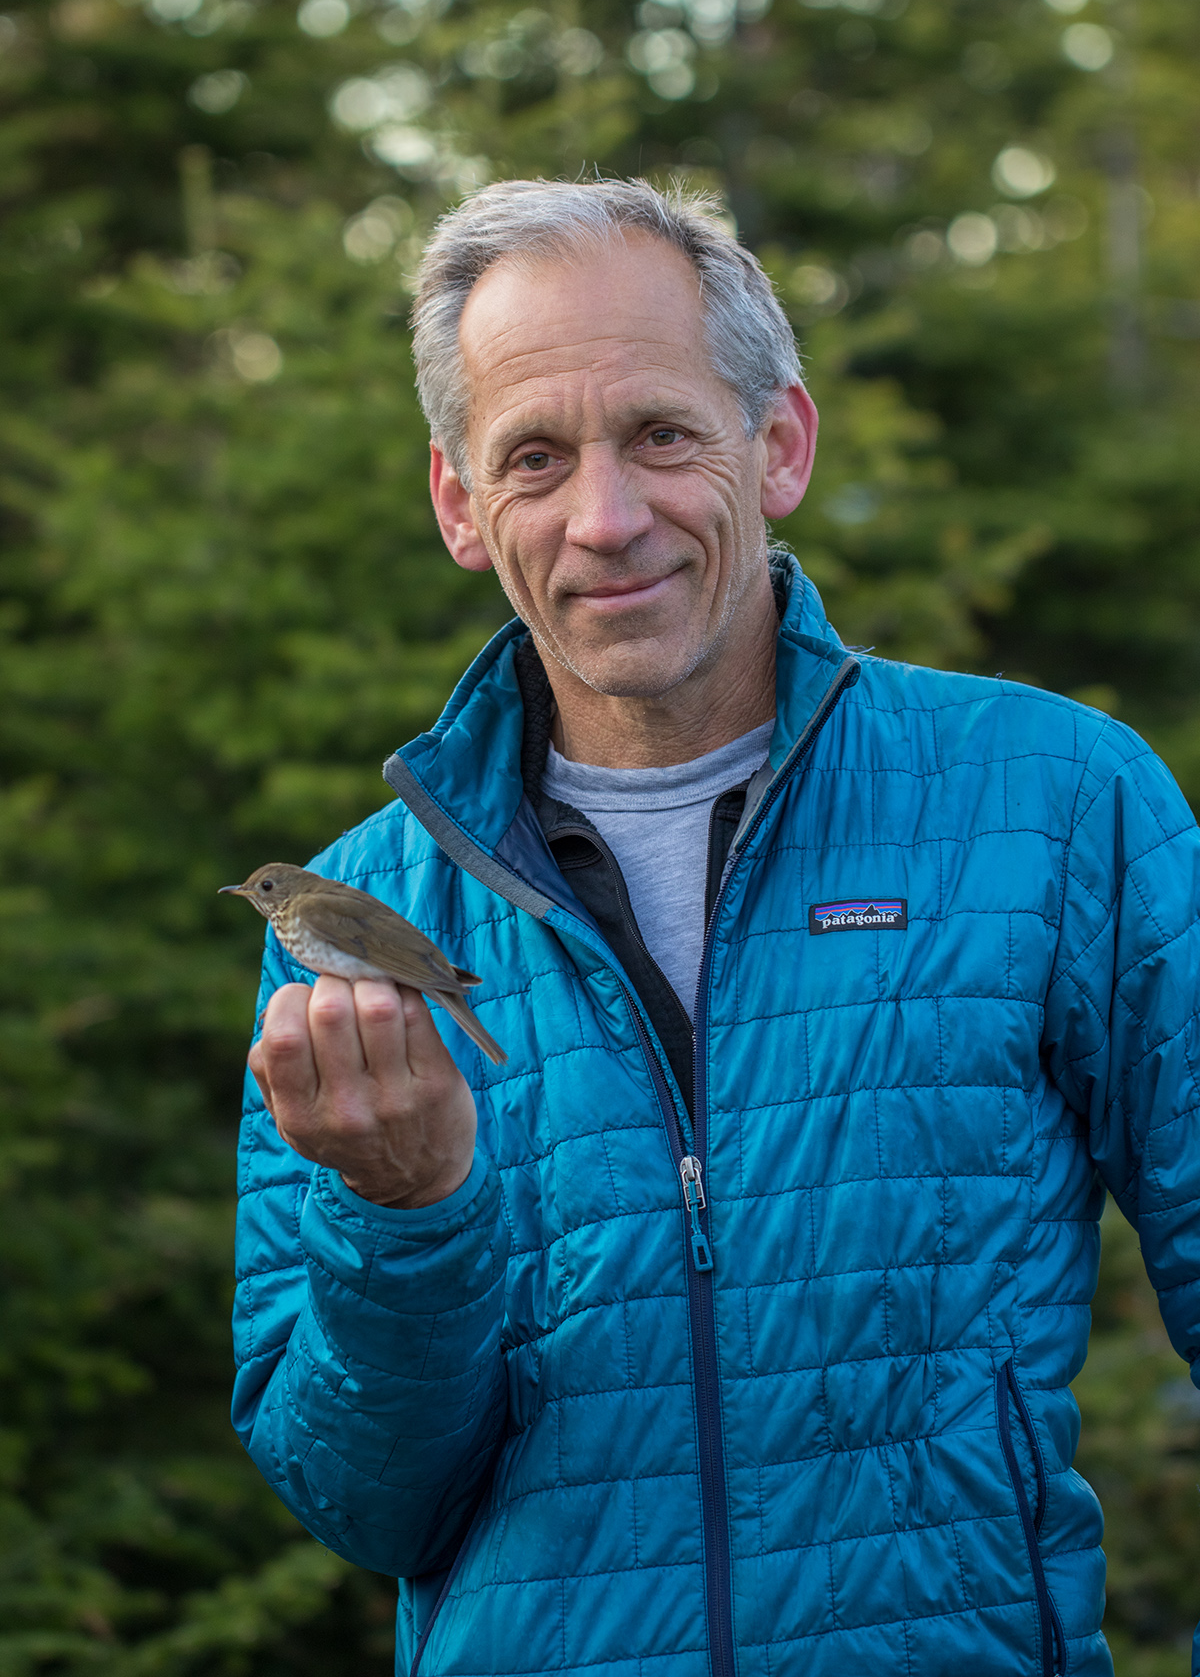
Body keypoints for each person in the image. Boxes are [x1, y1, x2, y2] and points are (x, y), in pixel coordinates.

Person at [232, 178, 1200, 1677]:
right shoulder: (372, 914)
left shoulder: (1060, 802)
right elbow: (361, 1502)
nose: (606, 520)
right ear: (459, 508)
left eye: (663, 435)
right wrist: (406, 1218)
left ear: (781, 445)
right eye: (535, 457)